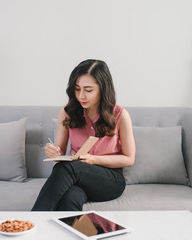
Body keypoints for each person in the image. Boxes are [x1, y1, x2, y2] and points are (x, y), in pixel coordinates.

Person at [31, 59, 135, 211]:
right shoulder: (67, 112)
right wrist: (54, 151)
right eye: (77, 89)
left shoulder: (120, 115)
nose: (81, 96)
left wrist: (94, 160)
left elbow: (129, 158)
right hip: (77, 178)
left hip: (110, 179)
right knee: (69, 199)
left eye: (88, 90)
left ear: (103, 89)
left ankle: (32, 221)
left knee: (66, 168)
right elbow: (59, 149)